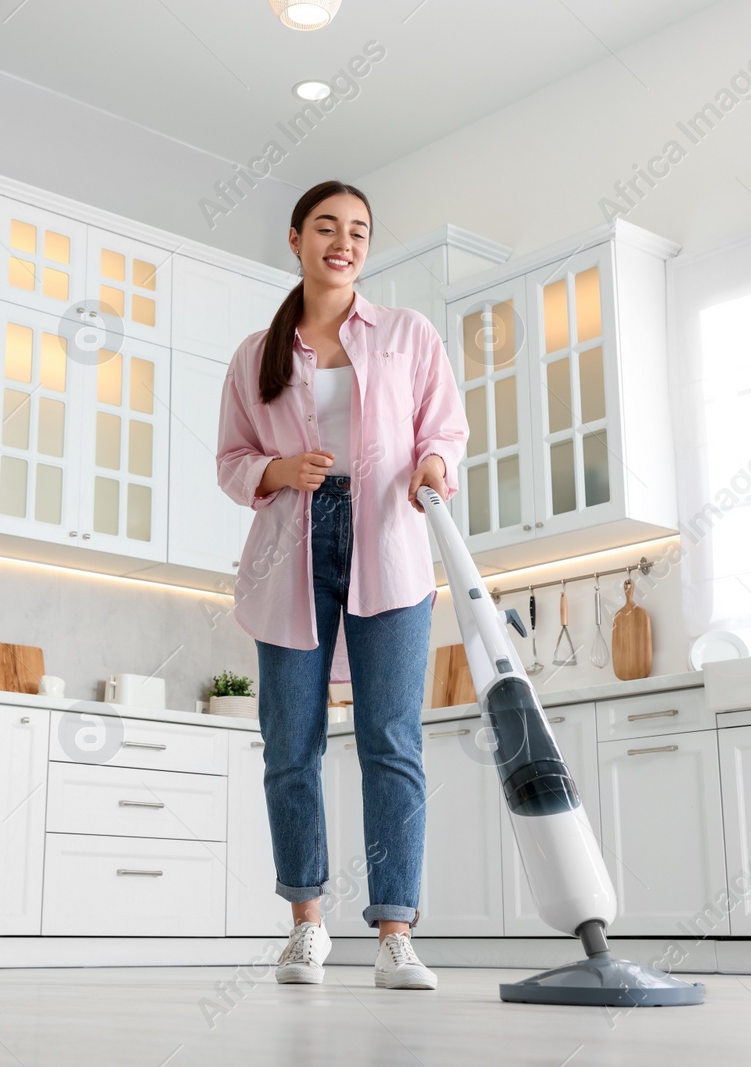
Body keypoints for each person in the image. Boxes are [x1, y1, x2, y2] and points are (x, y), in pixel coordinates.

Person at [216, 180, 470, 990]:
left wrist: (435, 465)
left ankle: (396, 929)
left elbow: (444, 427)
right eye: (327, 226)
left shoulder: (405, 334)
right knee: (291, 743)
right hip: (289, 544)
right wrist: (280, 469)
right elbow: (230, 461)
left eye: (359, 230)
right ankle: (307, 925)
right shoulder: (257, 350)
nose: (344, 240)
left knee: (390, 738)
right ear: (295, 238)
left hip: (388, 542)